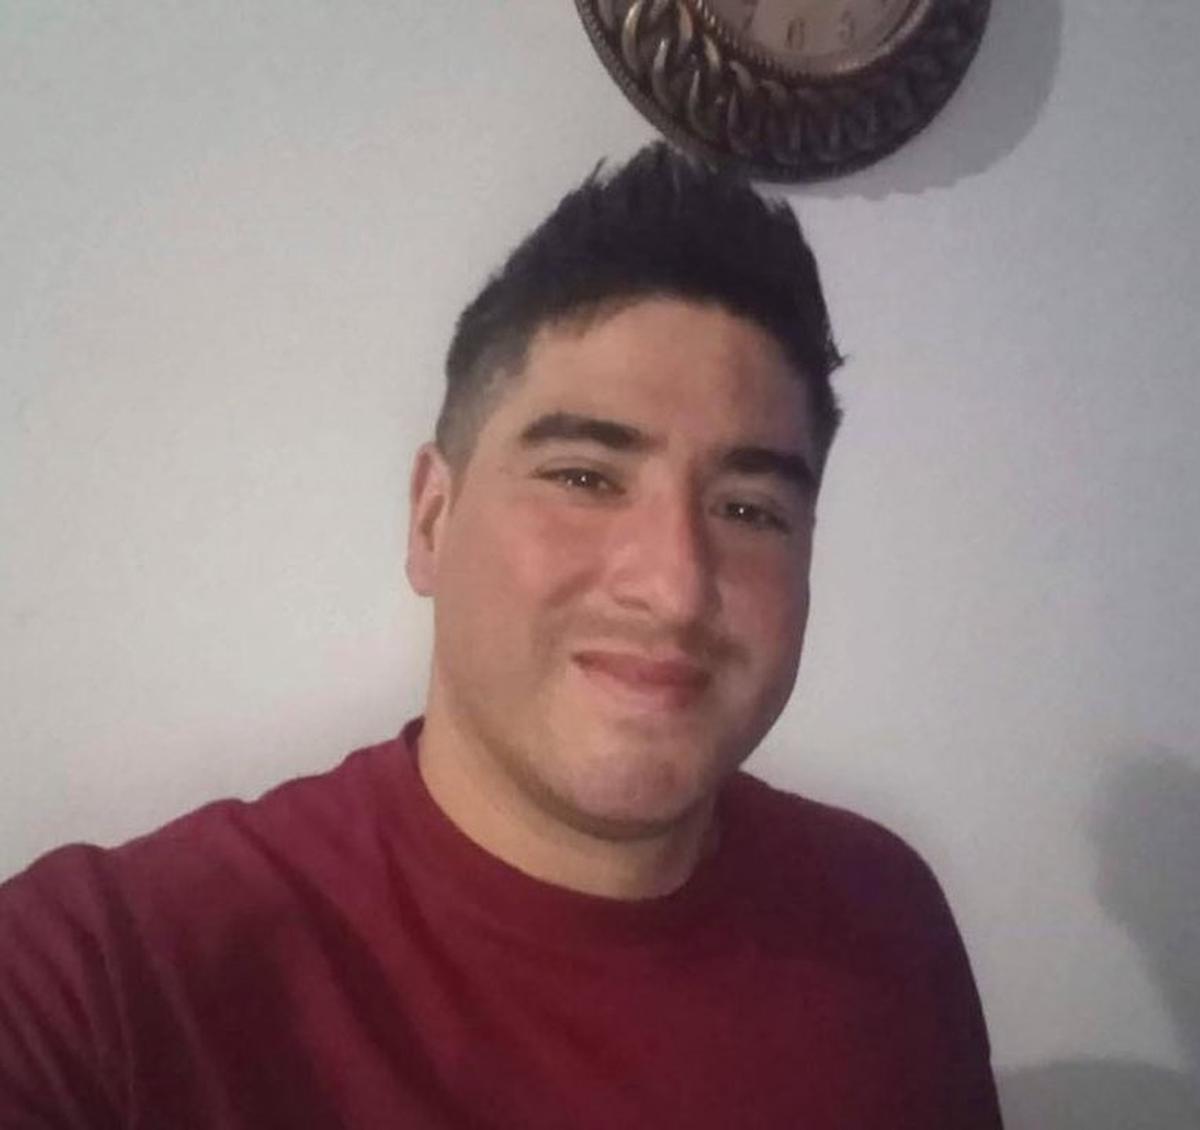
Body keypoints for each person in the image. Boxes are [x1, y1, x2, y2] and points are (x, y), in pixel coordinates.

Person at [0, 143, 1003, 1128]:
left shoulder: (883, 913)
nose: (674, 587)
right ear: (432, 518)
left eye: (749, 509)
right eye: (585, 477)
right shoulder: (100, 982)